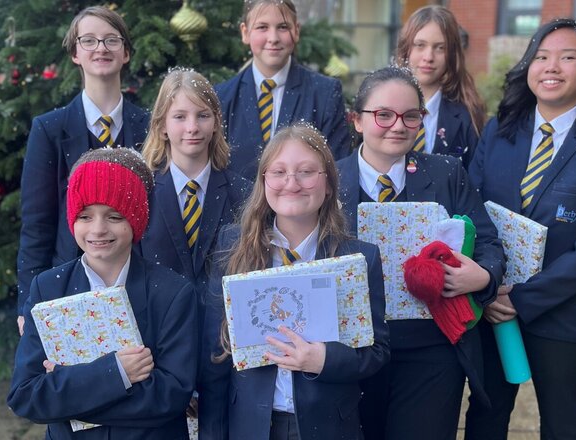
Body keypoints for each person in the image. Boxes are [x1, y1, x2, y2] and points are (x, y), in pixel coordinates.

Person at [464, 18, 576, 440]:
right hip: (492, 306)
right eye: (541, 57)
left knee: (565, 423)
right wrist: (487, 289)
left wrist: (520, 300)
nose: (551, 66)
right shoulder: (500, 133)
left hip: (565, 315)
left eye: (567, 57)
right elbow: (470, 210)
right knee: (485, 416)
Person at [336, 66, 505, 440]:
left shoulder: (447, 173)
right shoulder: (328, 180)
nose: (398, 125)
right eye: (383, 114)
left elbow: (490, 241)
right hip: (354, 349)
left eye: (411, 115)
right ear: (357, 120)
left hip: (432, 348)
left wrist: (483, 276)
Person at [198, 124, 389, 439]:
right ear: (264, 182)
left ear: (327, 184)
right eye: (279, 172)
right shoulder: (233, 248)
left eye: (306, 172)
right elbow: (214, 355)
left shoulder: (358, 258)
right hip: (251, 426)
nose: (292, 183)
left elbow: (377, 351)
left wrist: (325, 359)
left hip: (328, 426)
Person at [8, 148, 197, 439]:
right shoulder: (48, 288)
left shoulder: (172, 293)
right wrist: (117, 373)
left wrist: (66, 392)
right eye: (85, 216)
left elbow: (170, 397)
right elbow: (26, 395)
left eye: (114, 216)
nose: (98, 229)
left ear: (135, 219)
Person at [16, 6, 149, 335]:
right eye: (88, 40)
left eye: (111, 40)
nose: (101, 48)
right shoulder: (49, 130)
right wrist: (27, 304)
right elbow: (37, 223)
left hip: (141, 283)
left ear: (126, 53)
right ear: (75, 53)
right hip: (71, 285)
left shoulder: (149, 127)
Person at [139, 68, 250, 318]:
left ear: (216, 123)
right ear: (162, 126)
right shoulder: (143, 192)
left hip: (222, 336)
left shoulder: (243, 193)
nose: (192, 127)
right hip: (159, 332)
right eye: (179, 116)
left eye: (202, 115)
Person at [215, 0, 351, 181]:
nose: (273, 38)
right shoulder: (223, 97)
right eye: (262, 27)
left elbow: (337, 166)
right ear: (245, 32)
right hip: (238, 208)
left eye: (283, 27)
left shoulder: (324, 94)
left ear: (296, 31)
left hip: (304, 206)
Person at [396, 5, 486, 167]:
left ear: (452, 54)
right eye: (420, 45)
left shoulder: (468, 116)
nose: (428, 57)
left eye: (440, 48)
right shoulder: (381, 107)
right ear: (406, 48)